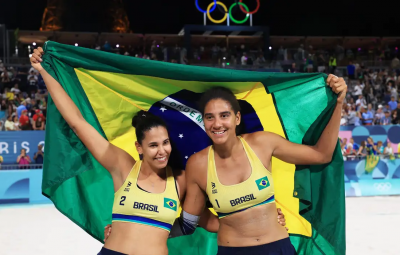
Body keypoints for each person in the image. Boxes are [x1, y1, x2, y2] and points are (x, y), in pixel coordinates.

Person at [30, 46, 288, 255]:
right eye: (153, 145)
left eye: (166, 143)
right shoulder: (122, 167)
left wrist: (259, 222)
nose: (162, 151)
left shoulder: (182, 179)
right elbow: (77, 122)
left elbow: (194, 222)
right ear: (139, 148)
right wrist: (44, 71)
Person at [178, 75, 346, 254]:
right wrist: (229, 225)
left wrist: (338, 103)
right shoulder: (198, 164)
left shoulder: (262, 143)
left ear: (237, 118)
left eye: (224, 115)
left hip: (278, 247)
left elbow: (321, 155)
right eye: (209, 117)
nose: (217, 123)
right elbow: (192, 218)